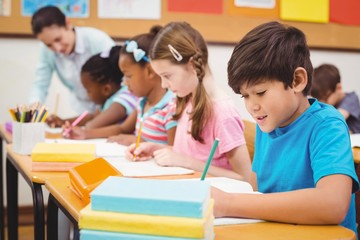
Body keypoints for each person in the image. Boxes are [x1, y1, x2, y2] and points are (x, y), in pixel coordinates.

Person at [211, 21, 359, 234]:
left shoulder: (327, 125)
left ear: (297, 80)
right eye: (245, 96)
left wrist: (229, 203)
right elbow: (257, 189)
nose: (252, 106)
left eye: (260, 92)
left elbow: (333, 203)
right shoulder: (268, 123)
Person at [125, 22, 252, 181]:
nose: (164, 85)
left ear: (192, 64)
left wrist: (186, 162)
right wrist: (155, 148)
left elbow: (247, 179)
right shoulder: (188, 99)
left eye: (167, 76)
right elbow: (194, 154)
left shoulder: (223, 114)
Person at [66, 26, 177, 146]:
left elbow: (173, 151)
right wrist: (85, 134)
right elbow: (123, 128)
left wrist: (140, 143)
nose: (124, 83)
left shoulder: (171, 107)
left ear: (150, 71)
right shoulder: (142, 102)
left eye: (128, 76)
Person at [29, 6, 115, 114]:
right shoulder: (47, 51)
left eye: (58, 39)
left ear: (68, 23)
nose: (57, 48)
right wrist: (34, 109)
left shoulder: (97, 40)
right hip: (82, 109)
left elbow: (120, 78)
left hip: (112, 107)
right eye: (49, 44)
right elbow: (40, 84)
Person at [47, 45, 137, 129]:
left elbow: (92, 125)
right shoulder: (109, 101)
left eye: (88, 90)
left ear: (106, 89)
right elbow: (92, 117)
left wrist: (74, 129)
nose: (86, 94)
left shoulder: (121, 101)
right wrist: (63, 122)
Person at [311, 63, 360, 133]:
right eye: (318, 99)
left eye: (325, 99)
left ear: (338, 88)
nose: (321, 103)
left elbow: (336, 117)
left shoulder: (351, 99)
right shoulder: (329, 104)